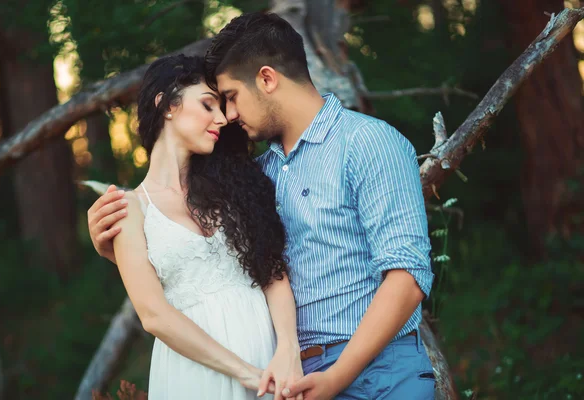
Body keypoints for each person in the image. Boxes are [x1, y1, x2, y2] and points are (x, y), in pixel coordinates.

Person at [90, 12, 436, 400]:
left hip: (378, 374)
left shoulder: (368, 143)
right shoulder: (255, 177)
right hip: (290, 377)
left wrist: (337, 376)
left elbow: (407, 278)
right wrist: (118, 247)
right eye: (216, 104)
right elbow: (223, 261)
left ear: (267, 79)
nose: (228, 117)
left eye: (231, 98)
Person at [86, 53, 304, 400]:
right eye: (207, 105)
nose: (221, 118)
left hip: (270, 360)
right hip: (197, 374)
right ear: (168, 105)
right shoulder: (129, 209)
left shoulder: (234, 190)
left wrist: (288, 349)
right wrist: (246, 373)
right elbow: (154, 315)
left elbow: (272, 272)